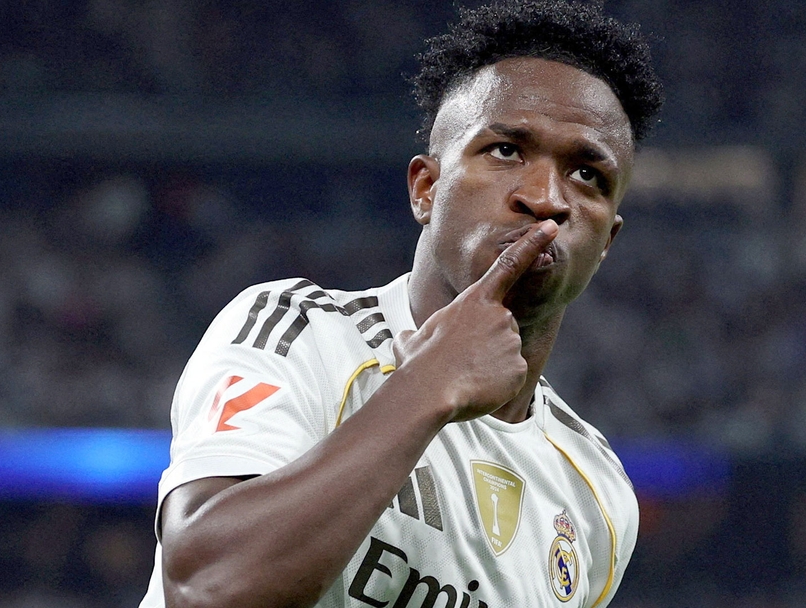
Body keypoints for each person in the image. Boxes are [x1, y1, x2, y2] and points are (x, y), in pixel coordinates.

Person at [140, 1, 663, 606]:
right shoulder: (298, 333)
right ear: (425, 188)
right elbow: (206, 587)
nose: (546, 198)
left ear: (606, 242)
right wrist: (428, 384)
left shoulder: (597, 493)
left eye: (587, 175)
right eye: (505, 151)